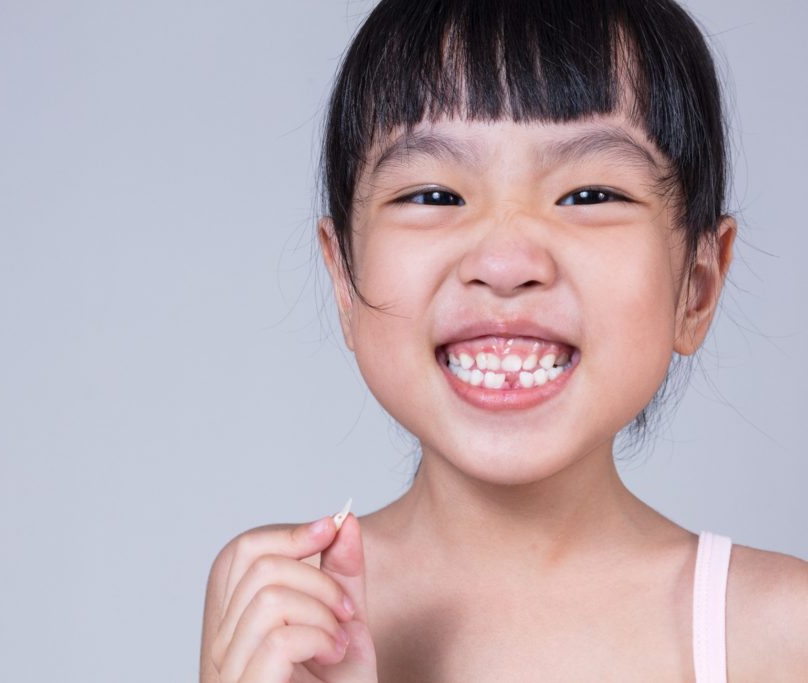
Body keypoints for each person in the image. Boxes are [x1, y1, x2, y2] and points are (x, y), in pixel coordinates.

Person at [199, 0, 808, 680]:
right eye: (433, 195)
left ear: (696, 286)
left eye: (589, 194)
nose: (507, 260)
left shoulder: (780, 629)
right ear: (344, 279)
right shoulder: (286, 611)